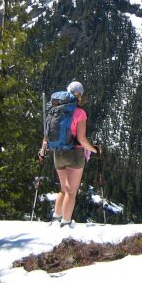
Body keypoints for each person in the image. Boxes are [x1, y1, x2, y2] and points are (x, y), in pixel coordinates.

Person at [39, 80, 100, 228]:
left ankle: (56, 218)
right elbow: (81, 139)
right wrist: (95, 150)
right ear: (81, 95)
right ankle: (66, 223)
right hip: (74, 154)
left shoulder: (55, 109)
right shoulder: (80, 113)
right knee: (71, 192)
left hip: (57, 153)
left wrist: (42, 150)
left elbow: (47, 134)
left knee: (63, 189)